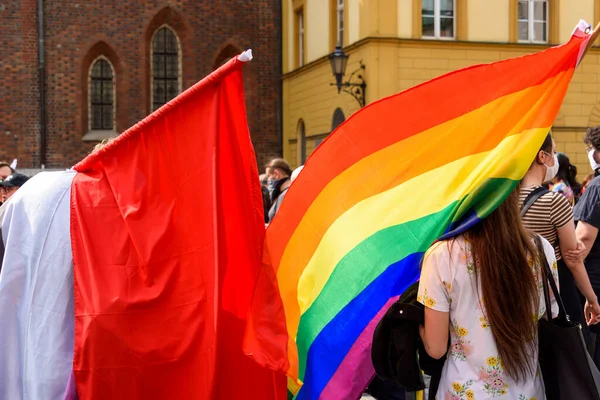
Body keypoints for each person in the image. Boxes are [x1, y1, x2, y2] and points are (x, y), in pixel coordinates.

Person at [418, 188, 599, 399]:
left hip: (463, 392)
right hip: (528, 391)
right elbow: (548, 314)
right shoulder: (541, 249)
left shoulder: (440, 256)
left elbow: (436, 349)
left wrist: (418, 325)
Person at [520, 132, 600, 345]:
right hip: (553, 293)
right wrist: (591, 299)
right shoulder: (553, 200)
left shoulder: (502, 202)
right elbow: (572, 258)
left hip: (516, 290)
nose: (554, 158)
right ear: (542, 157)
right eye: (553, 152)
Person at [574, 125, 600, 366]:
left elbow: (583, 242)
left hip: (595, 287)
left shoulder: (596, 187)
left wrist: (587, 295)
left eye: (590, 149)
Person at [265, 158, 292, 222]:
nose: (268, 180)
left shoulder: (285, 195)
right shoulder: (285, 193)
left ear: (276, 174)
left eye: (268, 176)